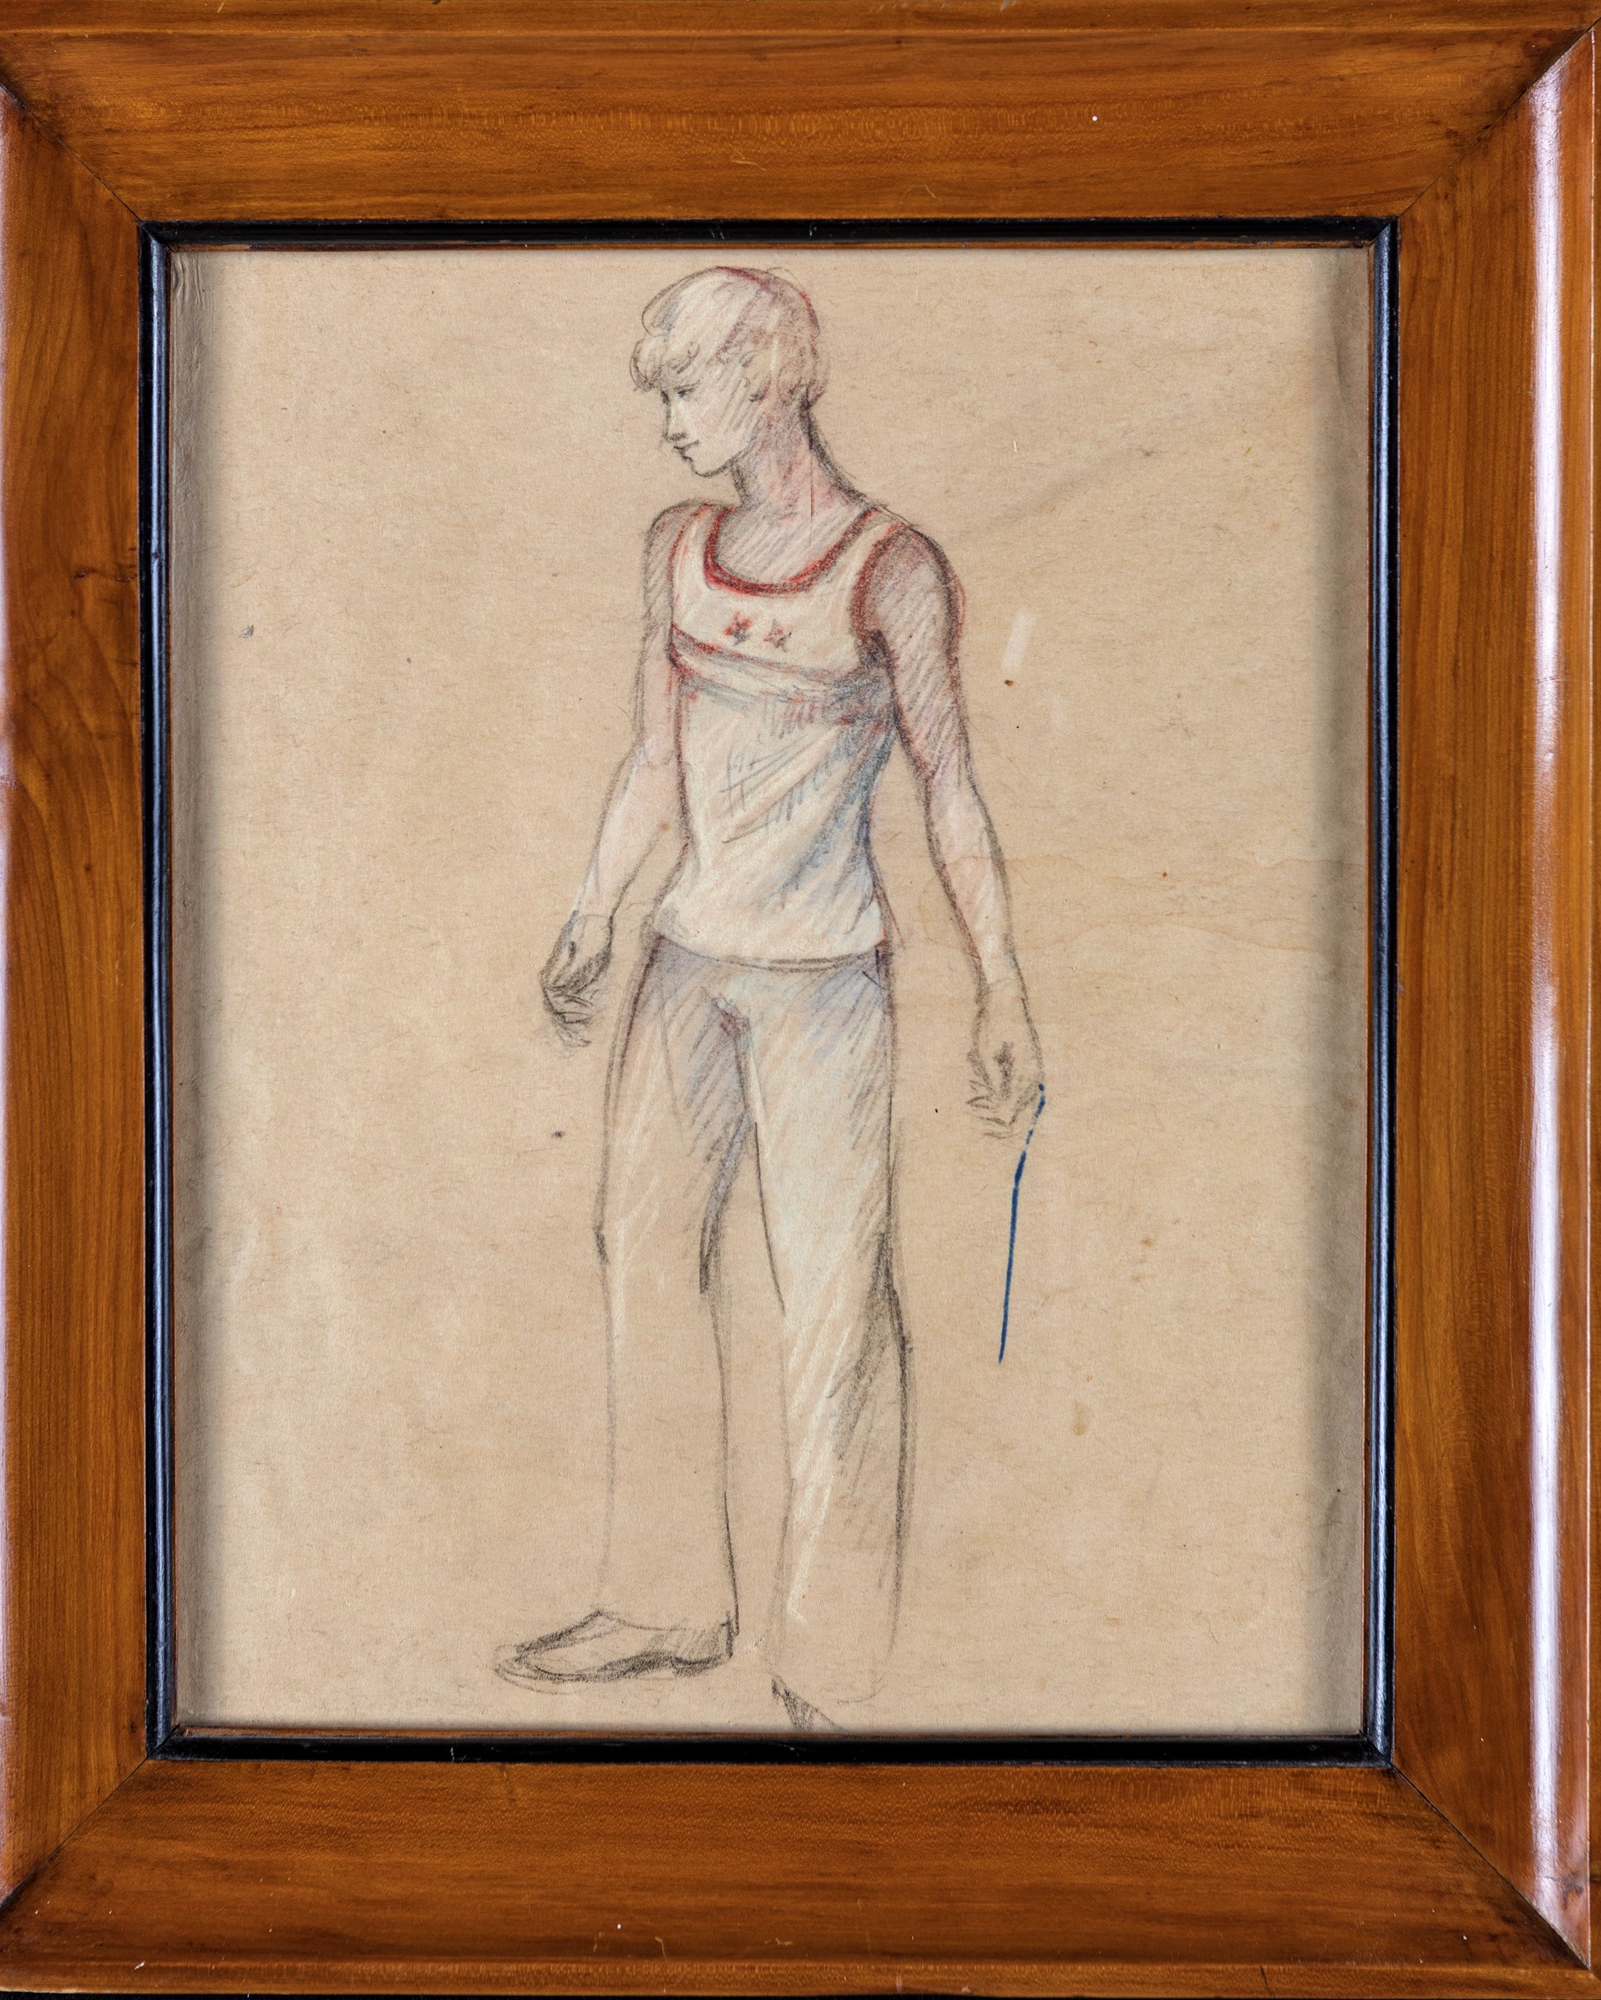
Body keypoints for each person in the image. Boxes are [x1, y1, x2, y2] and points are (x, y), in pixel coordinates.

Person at [495, 266, 1042, 1728]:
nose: (671, 419)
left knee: (833, 1308)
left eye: (687, 386)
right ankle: (663, 1599)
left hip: (822, 986)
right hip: (684, 965)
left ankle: (830, 1663)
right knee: (642, 1260)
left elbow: (949, 790)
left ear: (768, 374)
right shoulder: (678, 547)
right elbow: (653, 761)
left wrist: (1000, 987)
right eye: (666, 392)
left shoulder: (888, 564)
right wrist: (593, 907)